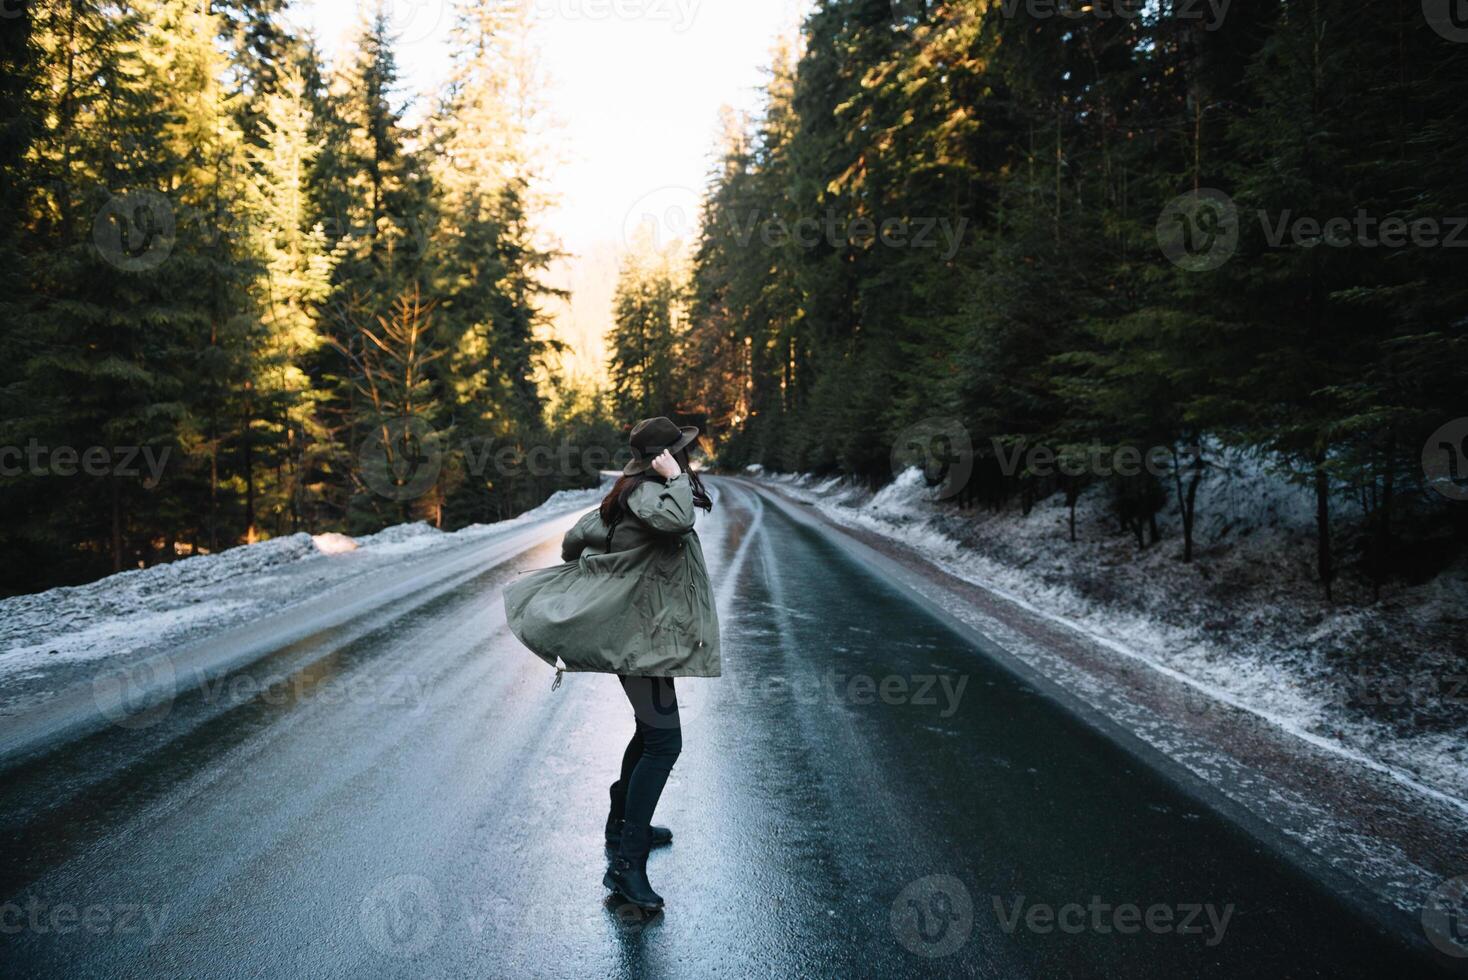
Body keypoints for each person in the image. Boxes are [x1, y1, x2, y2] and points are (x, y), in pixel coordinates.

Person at [504, 417, 720, 911]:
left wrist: (605, 556)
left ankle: (624, 823)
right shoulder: (650, 494)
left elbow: (576, 536)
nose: (689, 458)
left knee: (651, 733)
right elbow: (676, 522)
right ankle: (627, 866)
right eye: (682, 453)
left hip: (647, 635)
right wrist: (675, 480)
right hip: (637, 635)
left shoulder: (635, 491)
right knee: (665, 741)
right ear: (663, 457)